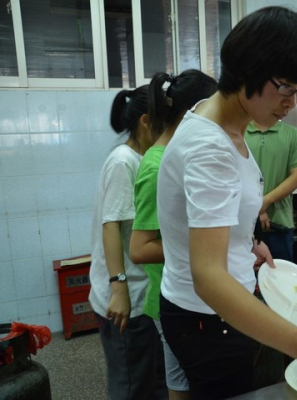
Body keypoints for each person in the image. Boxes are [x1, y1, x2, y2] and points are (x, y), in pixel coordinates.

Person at [155, 7, 297, 399]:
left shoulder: (221, 122)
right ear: (249, 71)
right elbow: (207, 276)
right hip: (207, 315)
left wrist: (246, 244)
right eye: (287, 88)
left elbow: (207, 220)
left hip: (211, 308)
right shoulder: (210, 147)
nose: (293, 102)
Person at [129, 70, 217, 400]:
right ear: (195, 111)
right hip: (172, 299)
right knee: (183, 386)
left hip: (186, 292)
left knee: (187, 382)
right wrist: (205, 247)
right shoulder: (157, 165)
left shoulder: (177, 154)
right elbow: (139, 248)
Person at [88, 86, 165, 399]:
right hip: (125, 298)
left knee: (149, 379)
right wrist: (119, 289)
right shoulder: (124, 161)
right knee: (131, 385)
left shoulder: (141, 158)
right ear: (145, 121)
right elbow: (111, 226)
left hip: (138, 290)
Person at [246, 119, 297, 262]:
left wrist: (265, 202)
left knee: (279, 272)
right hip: (245, 225)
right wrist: (258, 208)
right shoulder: (240, 132)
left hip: (279, 224)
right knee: (246, 273)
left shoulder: (292, 134)